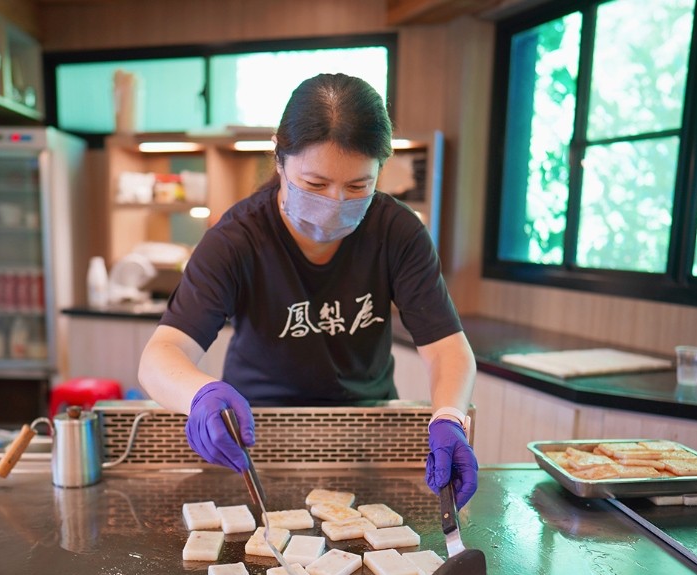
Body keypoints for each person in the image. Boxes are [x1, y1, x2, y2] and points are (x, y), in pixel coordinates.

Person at [137, 73, 478, 508]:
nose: (335, 203)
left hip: (366, 436)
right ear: (279, 157)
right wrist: (199, 395)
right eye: (315, 185)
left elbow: (446, 347)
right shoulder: (238, 239)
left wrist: (449, 417)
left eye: (358, 186)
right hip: (257, 438)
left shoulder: (397, 233)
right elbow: (160, 355)